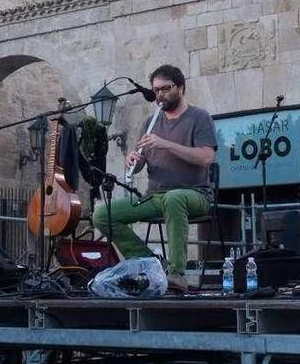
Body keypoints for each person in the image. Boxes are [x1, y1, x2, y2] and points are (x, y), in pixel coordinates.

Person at [92, 65, 217, 291]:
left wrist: (165, 143)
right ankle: (151, 264)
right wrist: (133, 160)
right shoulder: (151, 122)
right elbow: (139, 164)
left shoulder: (199, 117)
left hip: (195, 194)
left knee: (174, 198)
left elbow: (207, 157)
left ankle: (177, 273)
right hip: (155, 196)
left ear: (180, 87)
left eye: (165, 89)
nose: (159, 95)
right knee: (102, 214)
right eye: (156, 90)